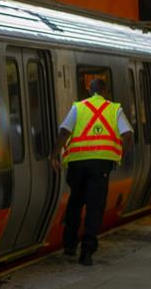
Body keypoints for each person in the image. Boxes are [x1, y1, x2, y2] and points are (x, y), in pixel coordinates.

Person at [50, 78, 133, 266]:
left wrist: (54, 155)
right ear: (105, 91)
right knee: (95, 207)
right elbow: (128, 136)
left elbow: (64, 132)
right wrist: (119, 154)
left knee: (76, 202)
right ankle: (87, 252)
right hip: (101, 165)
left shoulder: (78, 108)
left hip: (77, 164)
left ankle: (70, 244)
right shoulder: (115, 109)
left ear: (90, 91)